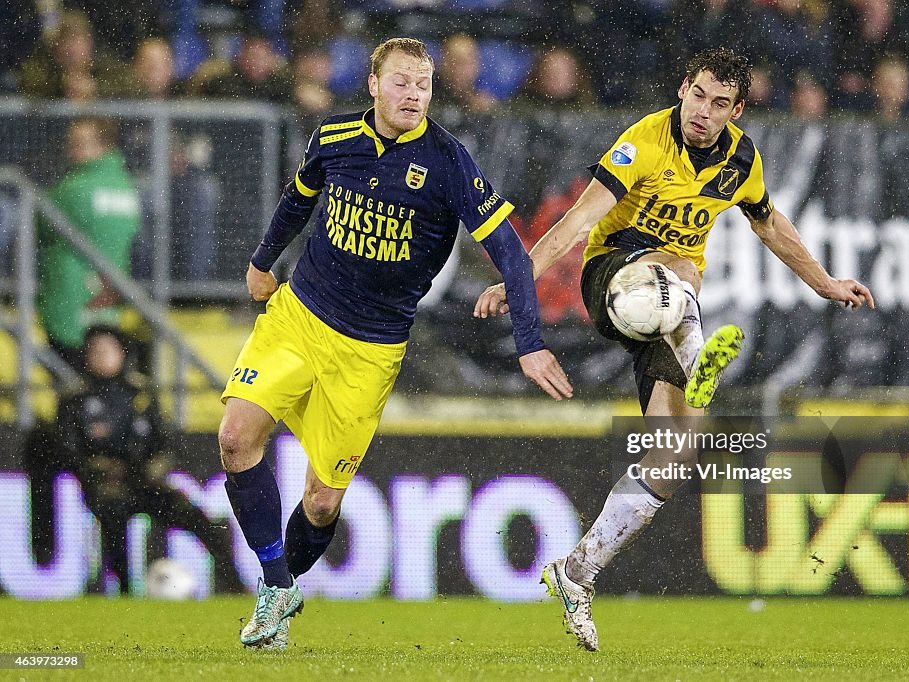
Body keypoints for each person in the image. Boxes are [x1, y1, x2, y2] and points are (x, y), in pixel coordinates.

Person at [474, 47, 875, 651]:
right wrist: (520, 280)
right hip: (613, 276)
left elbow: (770, 225)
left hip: (667, 306)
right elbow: (582, 221)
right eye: (699, 96)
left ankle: (578, 571)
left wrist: (825, 283)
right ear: (683, 88)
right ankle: (694, 340)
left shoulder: (742, 159)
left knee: (674, 454)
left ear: (736, 110)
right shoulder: (644, 142)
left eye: (721, 104)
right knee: (676, 268)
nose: (705, 113)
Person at [218, 37, 572, 651]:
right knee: (234, 438)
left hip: (370, 350)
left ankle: (285, 585)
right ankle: (276, 586)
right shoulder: (334, 138)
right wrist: (261, 262)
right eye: (402, 82)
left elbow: (512, 252)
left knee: (323, 503)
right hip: (298, 317)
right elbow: (298, 197)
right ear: (374, 85)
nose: (413, 95)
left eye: (423, 86)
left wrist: (529, 341)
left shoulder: (448, 162)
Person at [58, 326, 245, 594]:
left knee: (198, 519)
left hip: (145, 481)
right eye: (95, 351)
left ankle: (235, 582)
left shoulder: (141, 394)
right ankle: (123, 589)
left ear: (121, 353)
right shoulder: (75, 399)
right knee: (112, 516)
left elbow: (166, 443)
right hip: (104, 487)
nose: (102, 357)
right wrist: (100, 470)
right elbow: (69, 451)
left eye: (107, 350)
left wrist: (152, 469)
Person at [38, 117, 141, 371]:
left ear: (103, 145)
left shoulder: (72, 190)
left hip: (68, 301)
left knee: (71, 385)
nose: (71, 150)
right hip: (108, 301)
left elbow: (38, 227)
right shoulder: (127, 188)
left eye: (80, 143)